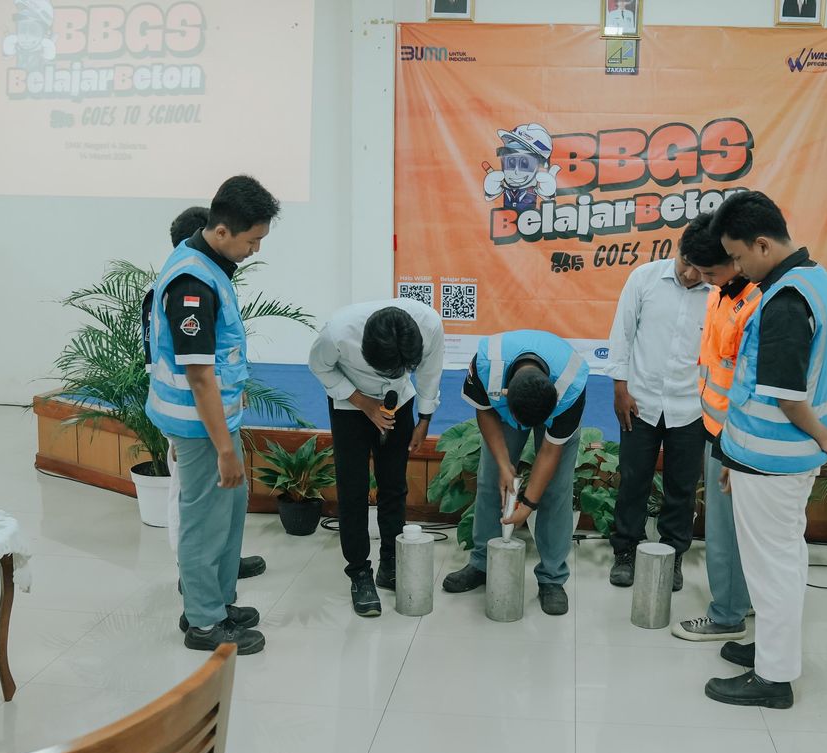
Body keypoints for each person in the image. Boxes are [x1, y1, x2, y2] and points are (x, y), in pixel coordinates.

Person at [702, 191, 827, 709]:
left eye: (739, 256)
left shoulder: (787, 301)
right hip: (770, 458)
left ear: (762, 244)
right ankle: (771, 649)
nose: (737, 267)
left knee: (773, 568)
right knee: (781, 558)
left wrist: (820, 434)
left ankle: (773, 677)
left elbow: (787, 397)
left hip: (774, 460)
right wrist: (734, 456)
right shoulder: (813, 279)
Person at [145, 175, 280, 655]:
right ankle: (203, 622)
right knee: (204, 520)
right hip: (198, 426)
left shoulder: (207, 262)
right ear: (222, 231)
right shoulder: (192, 284)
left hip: (217, 420)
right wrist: (225, 449)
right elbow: (199, 375)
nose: (254, 250)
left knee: (227, 513)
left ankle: (217, 603)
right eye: (252, 240)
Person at [309, 299, 445, 616]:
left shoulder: (428, 324)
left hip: (399, 401)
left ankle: (391, 563)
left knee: (394, 484)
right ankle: (359, 573)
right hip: (350, 405)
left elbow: (429, 372)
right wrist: (364, 403)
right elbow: (319, 366)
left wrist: (424, 420)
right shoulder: (338, 333)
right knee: (353, 489)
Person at [442, 329, 588, 615]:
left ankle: (552, 578)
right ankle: (482, 563)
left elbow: (549, 451)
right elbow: (484, 411)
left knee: (556, 490)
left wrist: (529, 504)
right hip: (503, 411)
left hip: (554, 413)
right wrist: (503, 464)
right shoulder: (486, 365)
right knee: (489, 480)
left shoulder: (571, 384)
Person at [605, 216, 713, 593]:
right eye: (687, 264)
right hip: (640, 401)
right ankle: (625, 551)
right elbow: (622, 334)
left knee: (682, 487)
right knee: (633, 479)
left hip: (691, 407)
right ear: (677, 249)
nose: (690, 275)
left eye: (701, 270)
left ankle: (673, 553)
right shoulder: (644, 278)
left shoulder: (717, 295)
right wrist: (621, 388)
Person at [671, 221, 762, 642]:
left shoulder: (756, 304)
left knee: (726, 532)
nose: (700, 281)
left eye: (708, 273)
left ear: (734, 257)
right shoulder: (720, 295)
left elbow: (752, 384)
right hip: (716, 429)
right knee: (733, 529)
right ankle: (741, 600)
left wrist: (731, 446)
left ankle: (726, 615)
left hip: (736, 437)